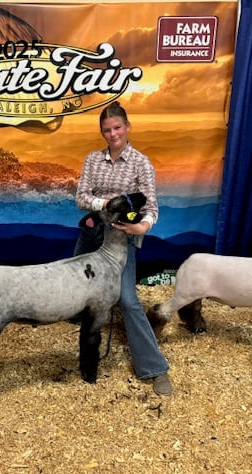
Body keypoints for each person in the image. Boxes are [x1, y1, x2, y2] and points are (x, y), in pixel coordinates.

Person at [74, 101, 172, 396]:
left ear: (128, 127)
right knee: (75, 289)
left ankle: (154, 368)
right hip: (92, 232)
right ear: (102, 132)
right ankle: (83, 342)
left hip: (120, 238)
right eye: (107, 129)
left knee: (128, 301)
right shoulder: (93, 159)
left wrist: (142, 226)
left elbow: (151, 206)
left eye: (117, 127)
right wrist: (105, 205)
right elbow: (81, 197)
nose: (113, 133)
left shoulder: (141, 163)